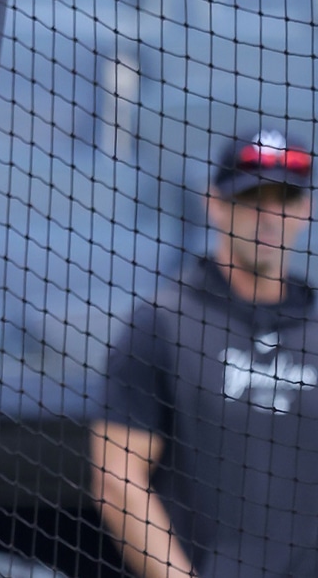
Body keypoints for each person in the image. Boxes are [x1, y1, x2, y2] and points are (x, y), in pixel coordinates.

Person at [90, 127, 318, 578]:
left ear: (305, 210)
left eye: (285, 199)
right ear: (214, 203)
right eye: (253, 198)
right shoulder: (162, 323)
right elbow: (117, 479)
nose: (269, 215)